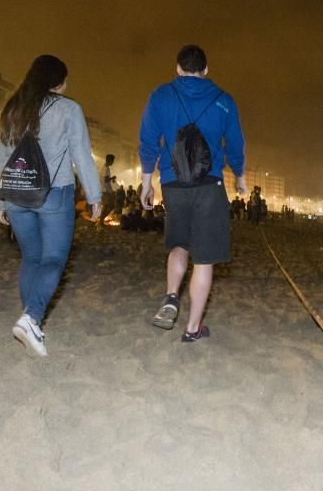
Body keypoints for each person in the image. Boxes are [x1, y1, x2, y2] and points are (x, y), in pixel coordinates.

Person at [0, 54, 101, 357]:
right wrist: (94, 196)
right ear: (59, 82)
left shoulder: (12, 109)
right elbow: (81, 154)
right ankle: (31, 318)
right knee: (53, 259)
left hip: (16, 193)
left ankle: (31, 320)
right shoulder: (69, 109)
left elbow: (3, 157)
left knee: (31, 258)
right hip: (53, 193)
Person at [139, 44, 246, 342]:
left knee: (178, 244)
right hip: (209, 185)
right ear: (206, 69)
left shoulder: (160, 95)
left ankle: (172, 296)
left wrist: (147, 182)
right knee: (204, 260)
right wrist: (239, 177)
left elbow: (148, 140)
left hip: (173, 183)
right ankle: (192, 328)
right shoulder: (225, 101)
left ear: (177, 68)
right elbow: (235, 145)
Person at [99, 154, 116, 223]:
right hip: (105, 190)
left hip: (106, 190)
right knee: (108, 206)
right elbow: (105, 180)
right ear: (110, 160)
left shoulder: (106, 168)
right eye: (113, 161)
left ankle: (101, 220)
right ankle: (101, 221)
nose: (113, 162)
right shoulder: (105, 168)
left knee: (110, 205)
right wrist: (112, 178)